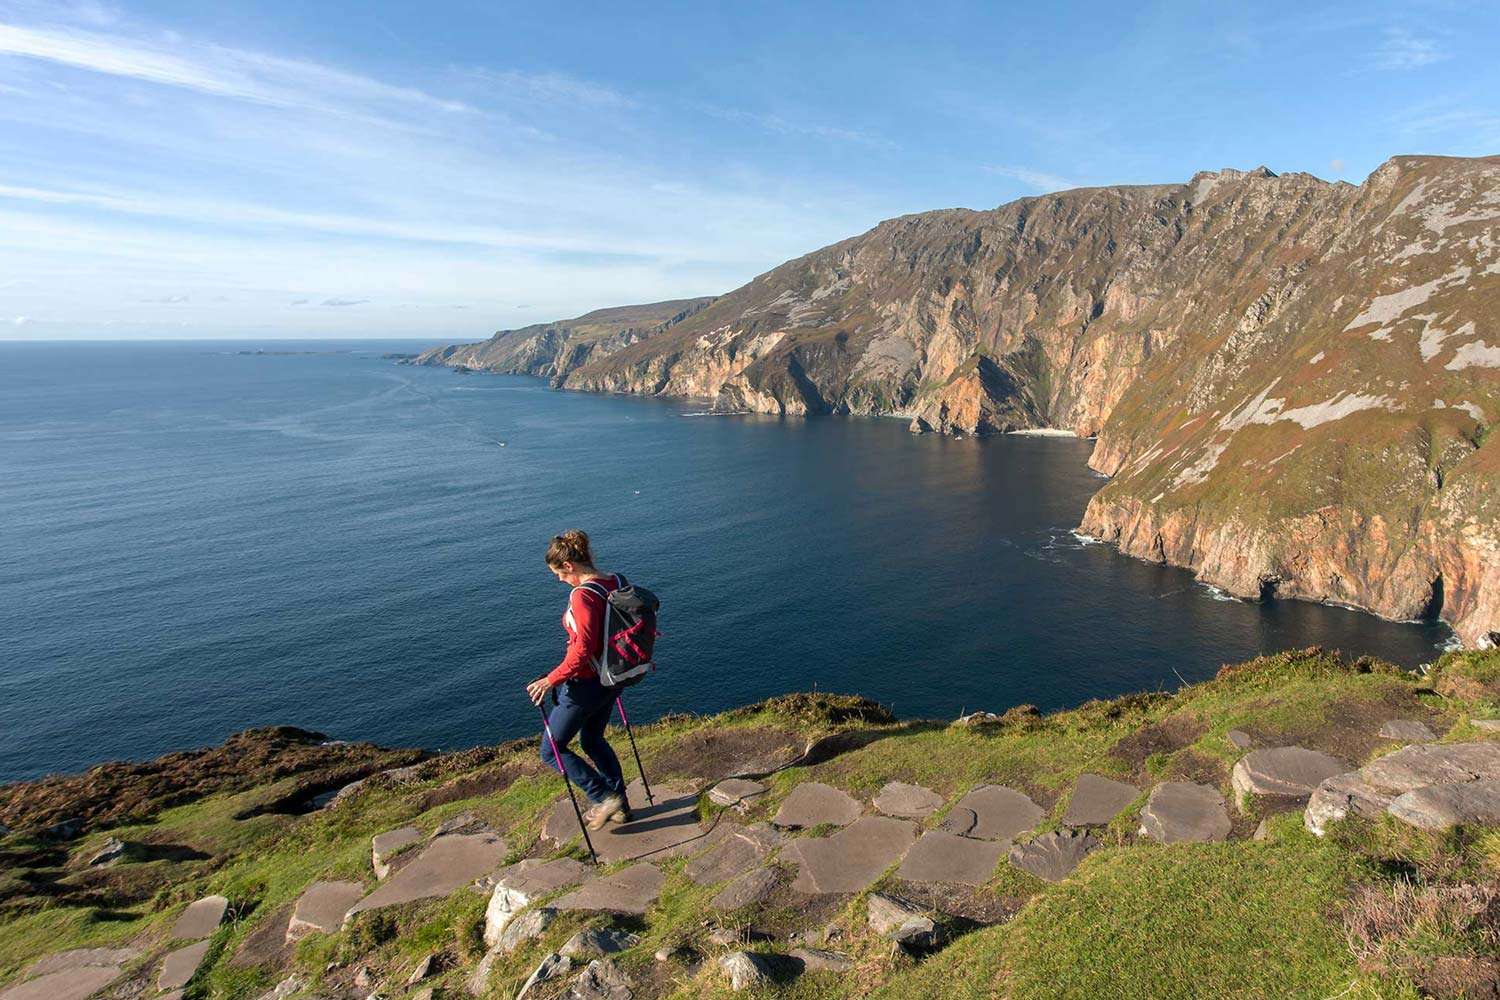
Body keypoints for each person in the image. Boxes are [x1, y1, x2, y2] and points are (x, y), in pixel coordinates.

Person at [526, 530, 631, 829]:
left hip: (586, 684)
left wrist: (550, 680)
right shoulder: (617, 580)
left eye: (558, 573)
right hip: (613, 677)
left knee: (552, 749)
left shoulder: (582, 595)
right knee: (593, 740)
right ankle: (621, 805)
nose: (559, 579)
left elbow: (583, 649)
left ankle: (603, 797)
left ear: (570, 565)